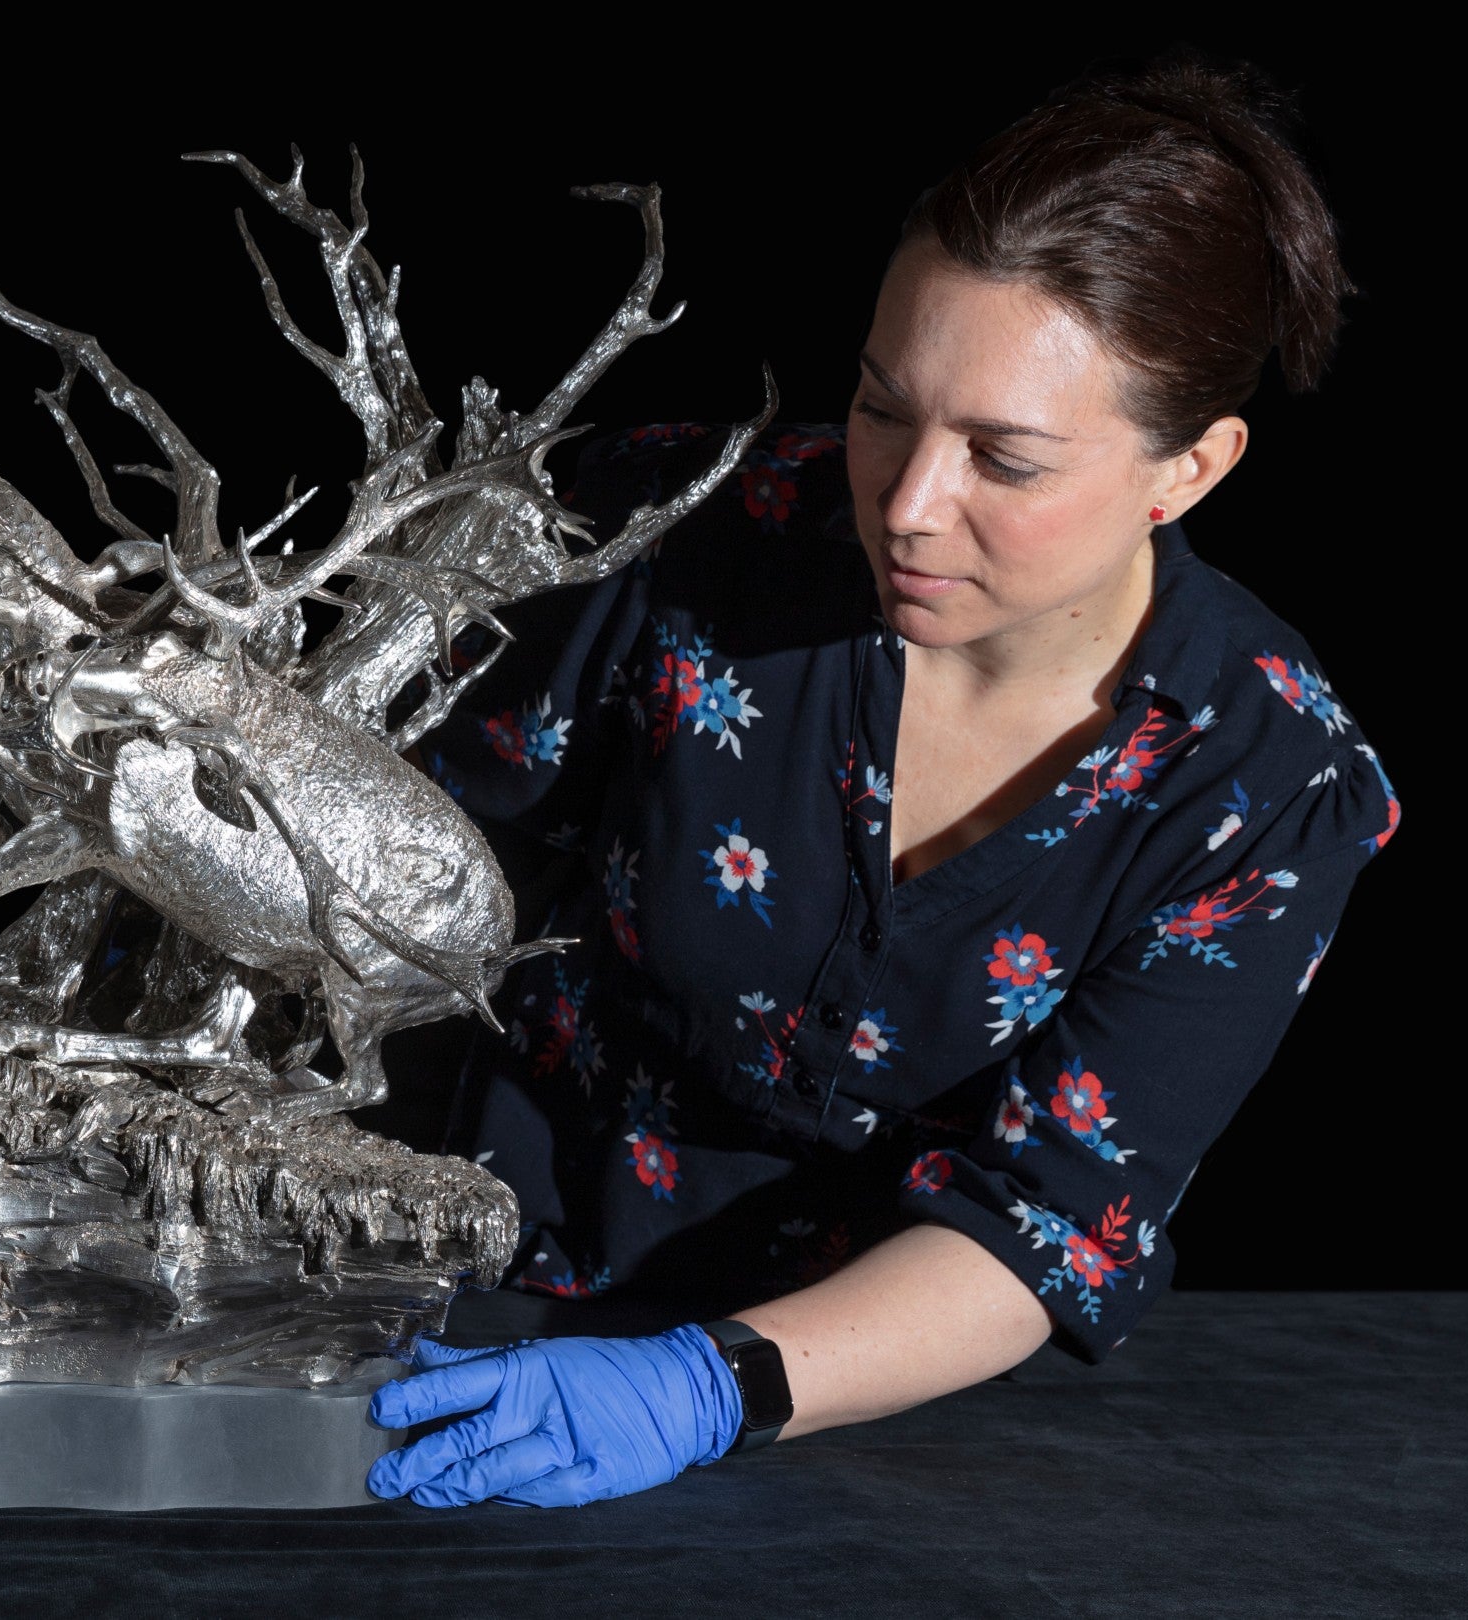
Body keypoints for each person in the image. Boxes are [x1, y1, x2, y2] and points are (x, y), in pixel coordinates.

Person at [370, 54, 1396, 1509]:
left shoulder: (1265, 781)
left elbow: (1048, 1224)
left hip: (856, 1412)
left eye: (1006, 460)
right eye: (881, 408)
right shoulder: (680, 536)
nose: (908, 505)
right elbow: (359, 852)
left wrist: (700, 1387)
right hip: (446, 1294)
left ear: (1191, 469)